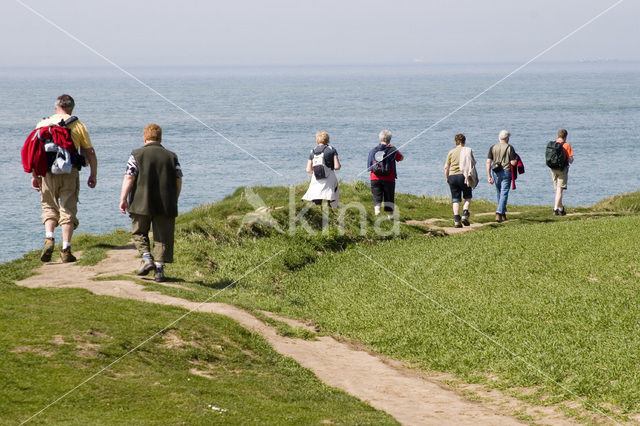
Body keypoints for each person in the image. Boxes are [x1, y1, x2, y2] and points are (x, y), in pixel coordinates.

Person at [31, 94, 98, 263]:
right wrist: (93, 174)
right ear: (71, 108)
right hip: (69, 172)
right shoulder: (78, 125)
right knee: (68, 209)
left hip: (47, 173)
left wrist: (34, 176)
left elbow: (35, 152)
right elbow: (89, 151)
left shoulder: (43, 124)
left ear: (56, 107)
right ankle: (66, 249)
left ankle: (49, 238)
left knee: (48, 206)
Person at [119, 124, 182, 283]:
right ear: (160, 138)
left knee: (139, 232)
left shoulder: (136, 154)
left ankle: (147, 258)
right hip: (165, 204)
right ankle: (159, 270)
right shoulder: (171, 156)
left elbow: (129, 177)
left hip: (141, 203)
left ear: (144, 137)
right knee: (163, 237)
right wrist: (174, 198)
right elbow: (178, 179)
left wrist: (123, 199)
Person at [367, 130, 404, 219]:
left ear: (380, 138)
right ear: (389, 139)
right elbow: (401, 158)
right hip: (389, 178)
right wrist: (395, 148)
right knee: (389, 197)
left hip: (375, 177)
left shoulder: (373, 150)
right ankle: (390, 216)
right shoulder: (392, 150)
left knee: (377, 195)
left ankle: (377, 212)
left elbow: (369, 166)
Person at [302, 131, 341, 208]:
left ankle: (318, 215)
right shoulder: (332, 150)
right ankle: (330, 215)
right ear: (327, 139)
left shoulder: (312, 151)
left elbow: (308, 169)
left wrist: (318, 171)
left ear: (317, 139)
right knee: (331, 198)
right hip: (329, 177)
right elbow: (337, 167)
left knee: (316, 199)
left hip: (316, 178)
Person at [444, 133, 475, 228]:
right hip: (464, 176)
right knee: (467, 196)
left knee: (455, 199)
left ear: (455, 141)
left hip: (453, 176)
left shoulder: (451, 152)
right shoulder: (467, 151)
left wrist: (447, 178)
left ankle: (457, 219)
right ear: (464, 141)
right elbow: (472, 164)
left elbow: (446, 167)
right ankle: (465, 213)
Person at [486, 130, 517, 223]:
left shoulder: (493, 147)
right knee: (504, 192)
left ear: (499, 138)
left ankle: (503, 214)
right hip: (506, 171)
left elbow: (488, 162)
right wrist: (516, 160)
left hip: (495, 172)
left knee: (499, 192)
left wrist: (489, 176)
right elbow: (513, 162)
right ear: (507, 138)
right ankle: (499, 212)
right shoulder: (509, 148)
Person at [551, 129, 574, 216]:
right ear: (565, 137)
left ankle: (561, 209)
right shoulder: (566, 145)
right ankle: (555, 209)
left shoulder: (552, 144)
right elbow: (570, 160)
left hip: (553, 168)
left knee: (557, 189)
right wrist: (570, 159)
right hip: (562, 169)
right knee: (560, 189)